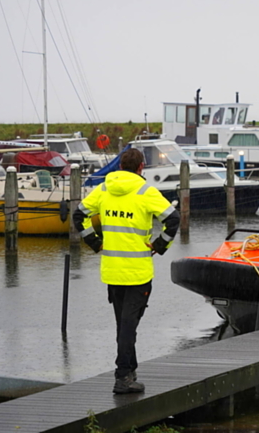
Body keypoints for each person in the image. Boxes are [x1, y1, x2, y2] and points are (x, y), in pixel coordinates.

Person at [72, 148, 180, 394]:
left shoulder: (103, 190)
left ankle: (130, 370)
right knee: (129, 326)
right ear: (141, 167)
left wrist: (95, 242)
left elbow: (79, 215)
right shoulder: (146, 192)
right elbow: (173, 219)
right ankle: (122, 377)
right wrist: (160, 245)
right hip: (138, 272)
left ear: (120, 166)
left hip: (112, 271)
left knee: (124, 325)